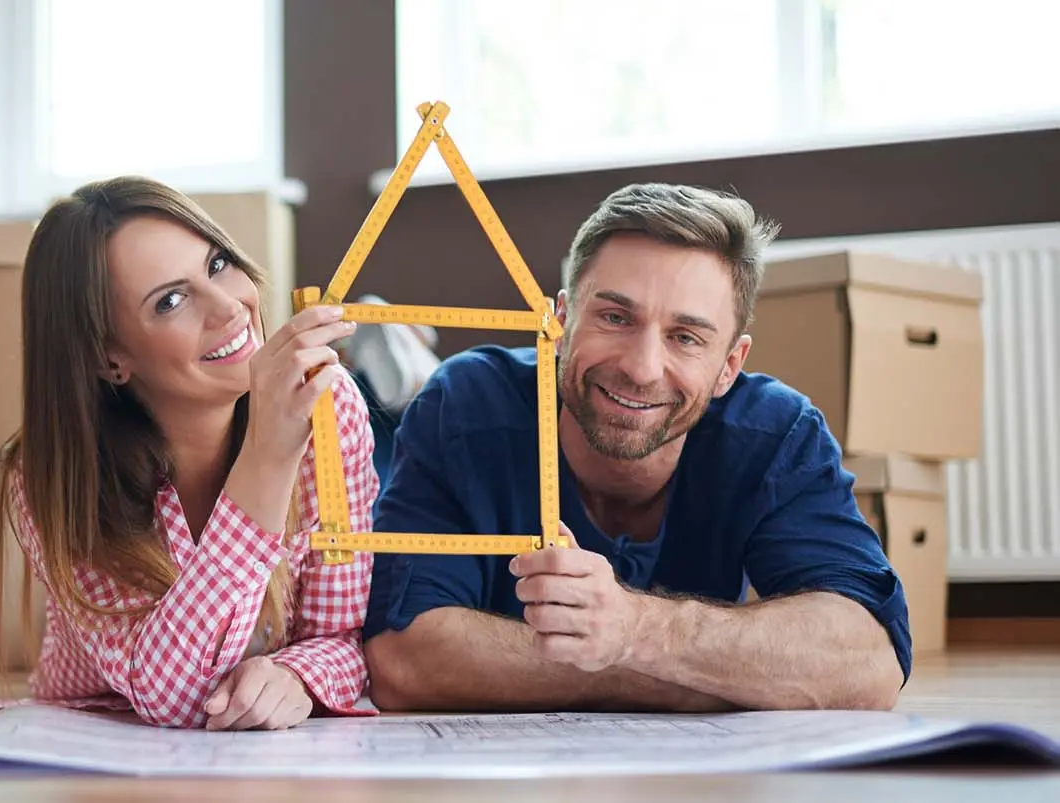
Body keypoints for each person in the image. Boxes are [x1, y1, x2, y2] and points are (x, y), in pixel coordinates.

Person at [362, 182, 910, 714]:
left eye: (686, 337)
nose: (641, 368)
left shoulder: (777, 434)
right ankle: (394, 366)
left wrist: (634, 629)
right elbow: (401, 658)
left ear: (730, 365)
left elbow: (869, 658)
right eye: (615, 318)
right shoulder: (464, 403)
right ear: (560, 321)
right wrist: (694, 678)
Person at [0, 175, 379, 730]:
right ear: (110, 359)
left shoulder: (327, 404)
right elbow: (172, 696)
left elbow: (341, 637)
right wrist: (268, 456)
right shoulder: (53, 476)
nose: (229, 308)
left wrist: (297, 676)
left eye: (218, 264)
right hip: (100, 738)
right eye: (171, 301)